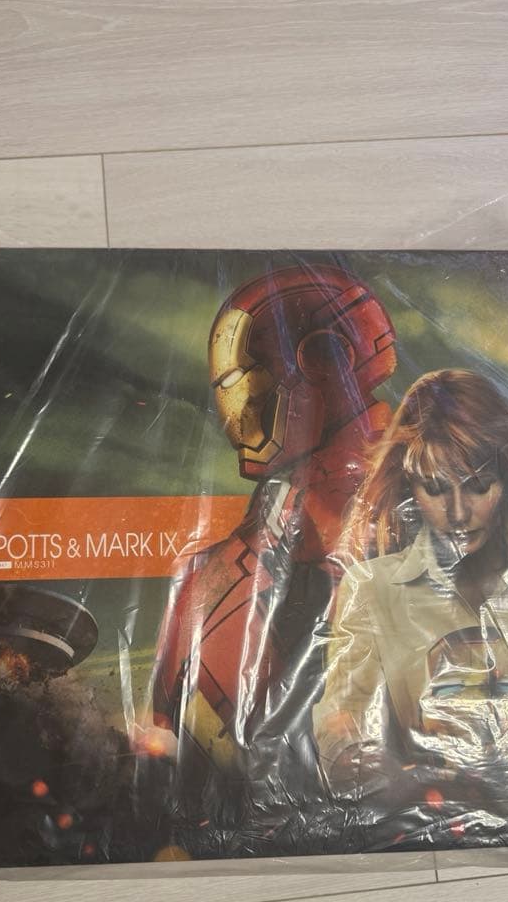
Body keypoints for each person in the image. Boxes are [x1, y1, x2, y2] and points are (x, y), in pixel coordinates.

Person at [148, 263, 398, 846]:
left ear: (326, 361)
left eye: (251, 381)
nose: (238, 409)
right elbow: (172, 742)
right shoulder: (204, 580)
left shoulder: (439, 520)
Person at [314, 368, 508, 848]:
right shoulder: (371, 589)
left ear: (507, 479)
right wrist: (371, 765)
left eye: (478, 485)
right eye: (435, 488)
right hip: (432, 831)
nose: (458, 512)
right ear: (410, 487)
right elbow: (339, 727)